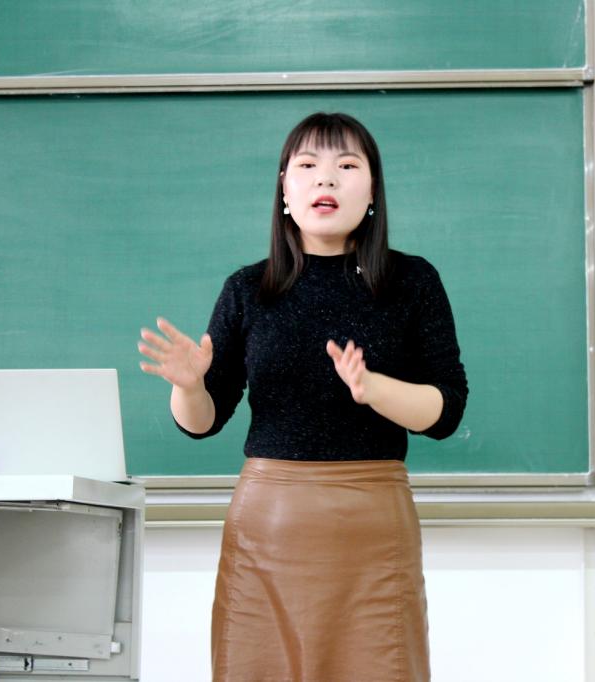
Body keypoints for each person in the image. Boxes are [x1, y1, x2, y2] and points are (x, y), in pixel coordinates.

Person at [138, 112, 467, 681]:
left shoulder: (412, 282)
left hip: (373, 527)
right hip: (267, 528)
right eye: (308, 165)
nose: (326, 179)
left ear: (373, 191)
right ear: (285, 191)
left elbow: (446, 410)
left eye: (347, 166)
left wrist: (373, 389)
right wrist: (188, 386)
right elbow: (201, 422)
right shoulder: (248, 289)